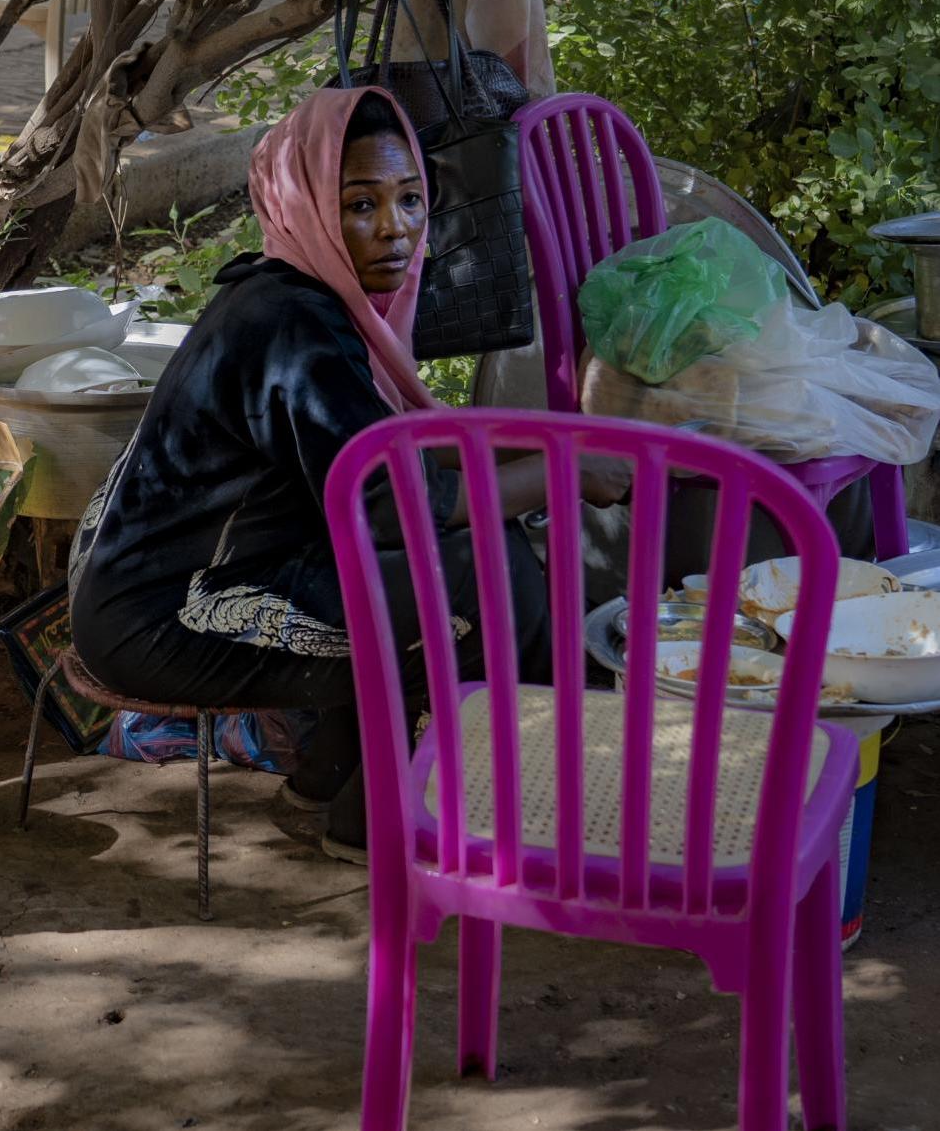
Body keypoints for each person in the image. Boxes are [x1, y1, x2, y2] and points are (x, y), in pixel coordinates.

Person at [66, 87, 628, 859]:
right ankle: (507, 810)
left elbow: (376, 470)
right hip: (156, 615)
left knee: (406, 566)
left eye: (408, 200)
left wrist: (538, 465)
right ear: (304, 203)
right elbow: (396, 503)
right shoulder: (292, 325)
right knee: (480, 574)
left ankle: (337, 788)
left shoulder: (296, 294)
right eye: (360, 204)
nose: (394, 228)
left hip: (157, 581)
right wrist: (565, 473)